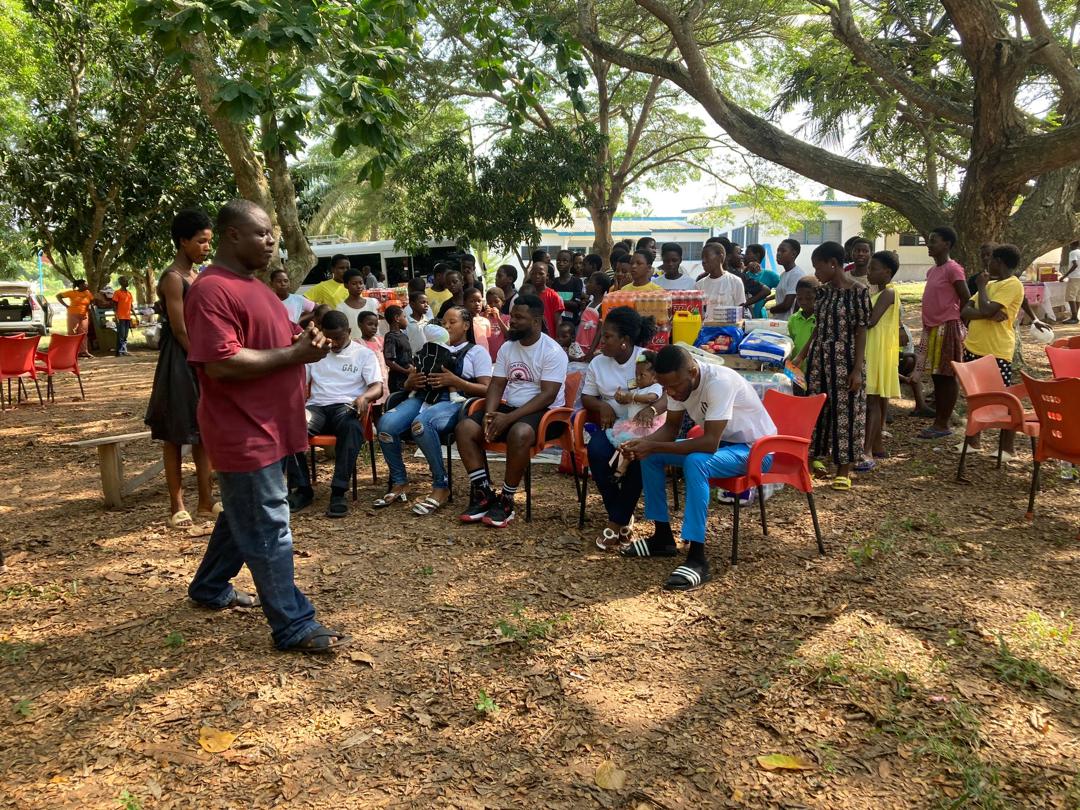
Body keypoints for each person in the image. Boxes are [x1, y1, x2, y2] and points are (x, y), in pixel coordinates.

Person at [185, 199, 347, 653]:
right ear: (231, 235)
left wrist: (303, 341)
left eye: (272, 232)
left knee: (246, 515)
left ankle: (209, 586)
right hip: (244, 430)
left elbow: (271, 346)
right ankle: (293, 624)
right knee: (268, 524)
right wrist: (295, 355)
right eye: (261, 233)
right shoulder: (212, 290)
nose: (272, 241)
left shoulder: (254, 287)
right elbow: (221, 363)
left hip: (271, 426)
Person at [618, 345, 776, 592]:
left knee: (696, 461)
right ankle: (662, 538)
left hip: (755, 450)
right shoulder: (677, 384)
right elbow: (670, 430)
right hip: (724, 446)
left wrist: (651, 444)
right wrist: (645, 445)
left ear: (692, 373)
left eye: (675, 387)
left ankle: (697, 557)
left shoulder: (719, 382)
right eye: (665, 388)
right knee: (651, 456)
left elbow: (710, 442)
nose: (671, 393)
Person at [456, 294, 568, 528]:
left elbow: (547, 395)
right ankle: (484, 493)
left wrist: (507, 419)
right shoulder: (508, 347)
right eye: (512, 316)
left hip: (548, 413)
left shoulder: (553, 351)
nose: (512, 321)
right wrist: (489, 415)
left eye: (519, 317)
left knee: (519, 432)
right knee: (466, 427)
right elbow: (496, 384)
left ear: (536, 321)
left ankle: (506, 500)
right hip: (512, 408)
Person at [378, 306, 492, 514]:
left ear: (466, 326)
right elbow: (407, 385)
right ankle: (399, 481)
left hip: (455, 401)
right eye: (443, 323)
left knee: (422, 424)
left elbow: (487, 389)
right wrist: (410, 382)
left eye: (452, 322)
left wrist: (456, 381)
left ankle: (441, 485)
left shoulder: (476, 352)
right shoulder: (428, 348)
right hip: (422, 396)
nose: (446, 326)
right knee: (385, 425)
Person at [144, 209, 217, 528]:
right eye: (201, 241)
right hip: (180, 360)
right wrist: (202, 361)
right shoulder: (172, 278)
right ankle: (176, 506)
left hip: (200, 356)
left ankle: (206, 500)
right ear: (183, 241)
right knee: (174, 435)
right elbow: (180, 329)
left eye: (208, 241)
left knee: (204, 433)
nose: (206, 247)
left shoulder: (198, 275)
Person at [284, 309, 383, 518]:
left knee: (352, 428)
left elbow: (377, 387)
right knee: (290, 428)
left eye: (339, 337)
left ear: (348, 331)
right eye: (329, 338)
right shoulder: (315, 352)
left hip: (345, 408)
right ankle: (302, 489)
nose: (334, 343)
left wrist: (364, 398)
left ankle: (338, 492)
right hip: (317, 407)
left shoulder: (363, 354)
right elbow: (301, 384)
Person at [793, 241, 871, 491]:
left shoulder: (859, 292)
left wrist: (857, 368)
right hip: (820, 359)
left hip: (846, 358)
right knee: (819, 408)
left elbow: (861, 330)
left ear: (833, 264)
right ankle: (818, 456)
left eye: (818, 267)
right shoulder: (823, 292)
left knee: (846, 411)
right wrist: (802, 355)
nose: (816, 273)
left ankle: (844, 469)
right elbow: (819, 327)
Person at [580, 307, 661, 549]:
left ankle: (616, 523)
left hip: (645, 427)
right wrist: (602, 407)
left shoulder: (646, 358)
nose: (601, 341)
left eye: (607, 337)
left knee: (638, 457)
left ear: (625, 341)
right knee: (596, 451)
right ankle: (622, 515)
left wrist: (653, 409)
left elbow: (669, 394)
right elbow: (587, 397)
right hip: (614, 427)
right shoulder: (597, 363)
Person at [958, 243, 1026, 459]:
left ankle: (1007, 448)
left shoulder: (1012, 285)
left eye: (992, 260)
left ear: (1000, 262)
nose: (988, 263)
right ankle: (973, 441)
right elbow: (965, 311)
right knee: (975, 396)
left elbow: (986, 307)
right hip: (974, 346)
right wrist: (986, 311)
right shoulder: (990, 284)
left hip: (996, 350)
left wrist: (982, 291)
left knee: (1003, 398)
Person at [911, 226, 969, 440]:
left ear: (946, 244)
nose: (929, 244)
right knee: (937, 375)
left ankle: (942, 423)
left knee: (946, 375)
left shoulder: (953, 269)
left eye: (934, 240)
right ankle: (939, 419)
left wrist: (960, 323)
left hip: (947, 327)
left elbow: (965, 296)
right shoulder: (933, 271)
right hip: (933, 328)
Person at [860, 251, 901, 470]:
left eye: (873, 268)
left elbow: (871, 321)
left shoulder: (889, 293)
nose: (869, 272)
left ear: (887, 271)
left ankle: (866, 450)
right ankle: (876, 445)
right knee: (871, 400)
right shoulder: (879, 292)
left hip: (877, 351)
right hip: (873, 349)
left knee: (871, 401)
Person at [607, 352, 664, 478]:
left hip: (645, 426)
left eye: (642, 375)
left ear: (654, 377)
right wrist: (621, 398)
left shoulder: (655, 386)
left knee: (631, 443)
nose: (637, 378)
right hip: (631, 423)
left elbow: (651, 398)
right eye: (636, 374)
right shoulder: (636, 387)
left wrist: (633, 396)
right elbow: (628, 397)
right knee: (624, 444)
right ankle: (617, 465)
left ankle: (621, 468)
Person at [695, 242, 745, 320]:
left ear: (720, 257)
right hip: (706, 330)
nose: (703, 261)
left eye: (707, 257)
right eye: (702, 258)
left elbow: (740, 310)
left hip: (728, 330)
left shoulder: (735, 281)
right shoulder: (699, 285)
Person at [575, 271, 610, 361]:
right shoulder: (590, 303)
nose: (586, 285)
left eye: (590, 282)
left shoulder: (602, 305)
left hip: (591, 346)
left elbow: (599, 330)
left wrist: (591, 350)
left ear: (598, 287)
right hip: (582, 342)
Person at [336, 268, 378, 340]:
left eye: (361, 283)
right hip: (353, 347)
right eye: (354, 284)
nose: (358, 286)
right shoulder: (340, 308)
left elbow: (376, 327)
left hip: (372, 346)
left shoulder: (372, 302)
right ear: (346, 285)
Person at [57, 279, 95, 357]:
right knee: (72, 333)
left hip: (84, 315)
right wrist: (66, 306)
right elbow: (58, 296)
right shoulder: (72, 293)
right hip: (73, 314)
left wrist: (90, 305)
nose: (86, 285)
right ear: (80, 285)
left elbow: (92, 300)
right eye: (85, 284)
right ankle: (72, 352)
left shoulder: (88, 293)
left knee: (83, 333)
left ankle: (83, 351)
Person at [787, 276, 818, 373]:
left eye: (809, 298)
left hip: (815, 370)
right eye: (800, 299)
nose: (804, 302)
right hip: (797, 369)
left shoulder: (820, 319)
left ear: (817, 296)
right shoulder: (793, 319)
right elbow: (790, 342)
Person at [770, 238, 806, 320]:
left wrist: (771, 309)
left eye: (783, 251)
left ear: (793, 254)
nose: (778, 254)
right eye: (778, 251)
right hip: (779, 320)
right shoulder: (783, 274)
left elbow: (787, 305)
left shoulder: (796, 274)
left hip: (787, 323)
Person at [358, 310, 388, 406]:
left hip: (383, 379)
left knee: (382, 404)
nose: (374, 328)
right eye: (370, 324)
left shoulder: (380, 341)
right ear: (360, 325)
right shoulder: (358, 343)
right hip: (368, 380)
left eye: (376, 325)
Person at [527, 261, 565, 336]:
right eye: (534, 273)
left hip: (548, 339)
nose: (537, 276)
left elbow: (558, 321)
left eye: (541, 274)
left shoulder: (553, 295)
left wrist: (557, 340)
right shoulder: (527, 295)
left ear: (547, 276)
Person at [383, 305, 413, 394]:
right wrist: (405, 371)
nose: (406, 320)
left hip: (407, 378)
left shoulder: (403, 336)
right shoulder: (391, 337)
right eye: (404, 317)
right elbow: (389, 361)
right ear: (397, 318)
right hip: (397, 381)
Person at [744, 244, 780, 317]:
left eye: (747, 253)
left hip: (760, 317)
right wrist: (745, 269)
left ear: (757, 255)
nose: (745, 256)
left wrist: (767, 299)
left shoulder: (770, 275)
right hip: (745, 316)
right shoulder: (744, 275)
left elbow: (784, 290)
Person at [550, 248, 585, 320]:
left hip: (571, 323)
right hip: (555, 321)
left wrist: (556, 300)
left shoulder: (577, 282)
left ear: (571, 264)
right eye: (558, 261)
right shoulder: (553, 282)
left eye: (565, 261)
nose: (561, 263)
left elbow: (576, 304)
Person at [464, 287, 492, 355]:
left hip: (484, 354)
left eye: (479, 301)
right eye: (472, 301)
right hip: (468, 354)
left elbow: (487, 338)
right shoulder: (464, 322)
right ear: (464, 303)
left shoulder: (486, 321)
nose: (477, 304)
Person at [112, 277, 134, 356]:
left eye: (127, 280)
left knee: (125, 335)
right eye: (125, 281)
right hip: (120, 317)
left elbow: (131, 305)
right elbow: (114, 305)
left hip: (127, 317)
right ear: (121, 282)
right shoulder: (117, 292)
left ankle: (123, 351)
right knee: (121, 334)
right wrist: (116, 315)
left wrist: (135, 315)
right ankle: (119, 352)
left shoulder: (129, 293)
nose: (127, 282)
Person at [1063, 239, 1080, 324]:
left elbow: (1075, 265)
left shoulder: (1073, 253)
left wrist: (1064, 276)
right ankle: (1075, 316)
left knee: (1071, 297)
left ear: (1071, 244)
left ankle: (1074, 317)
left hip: (1074, 277)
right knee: (1077, 297)